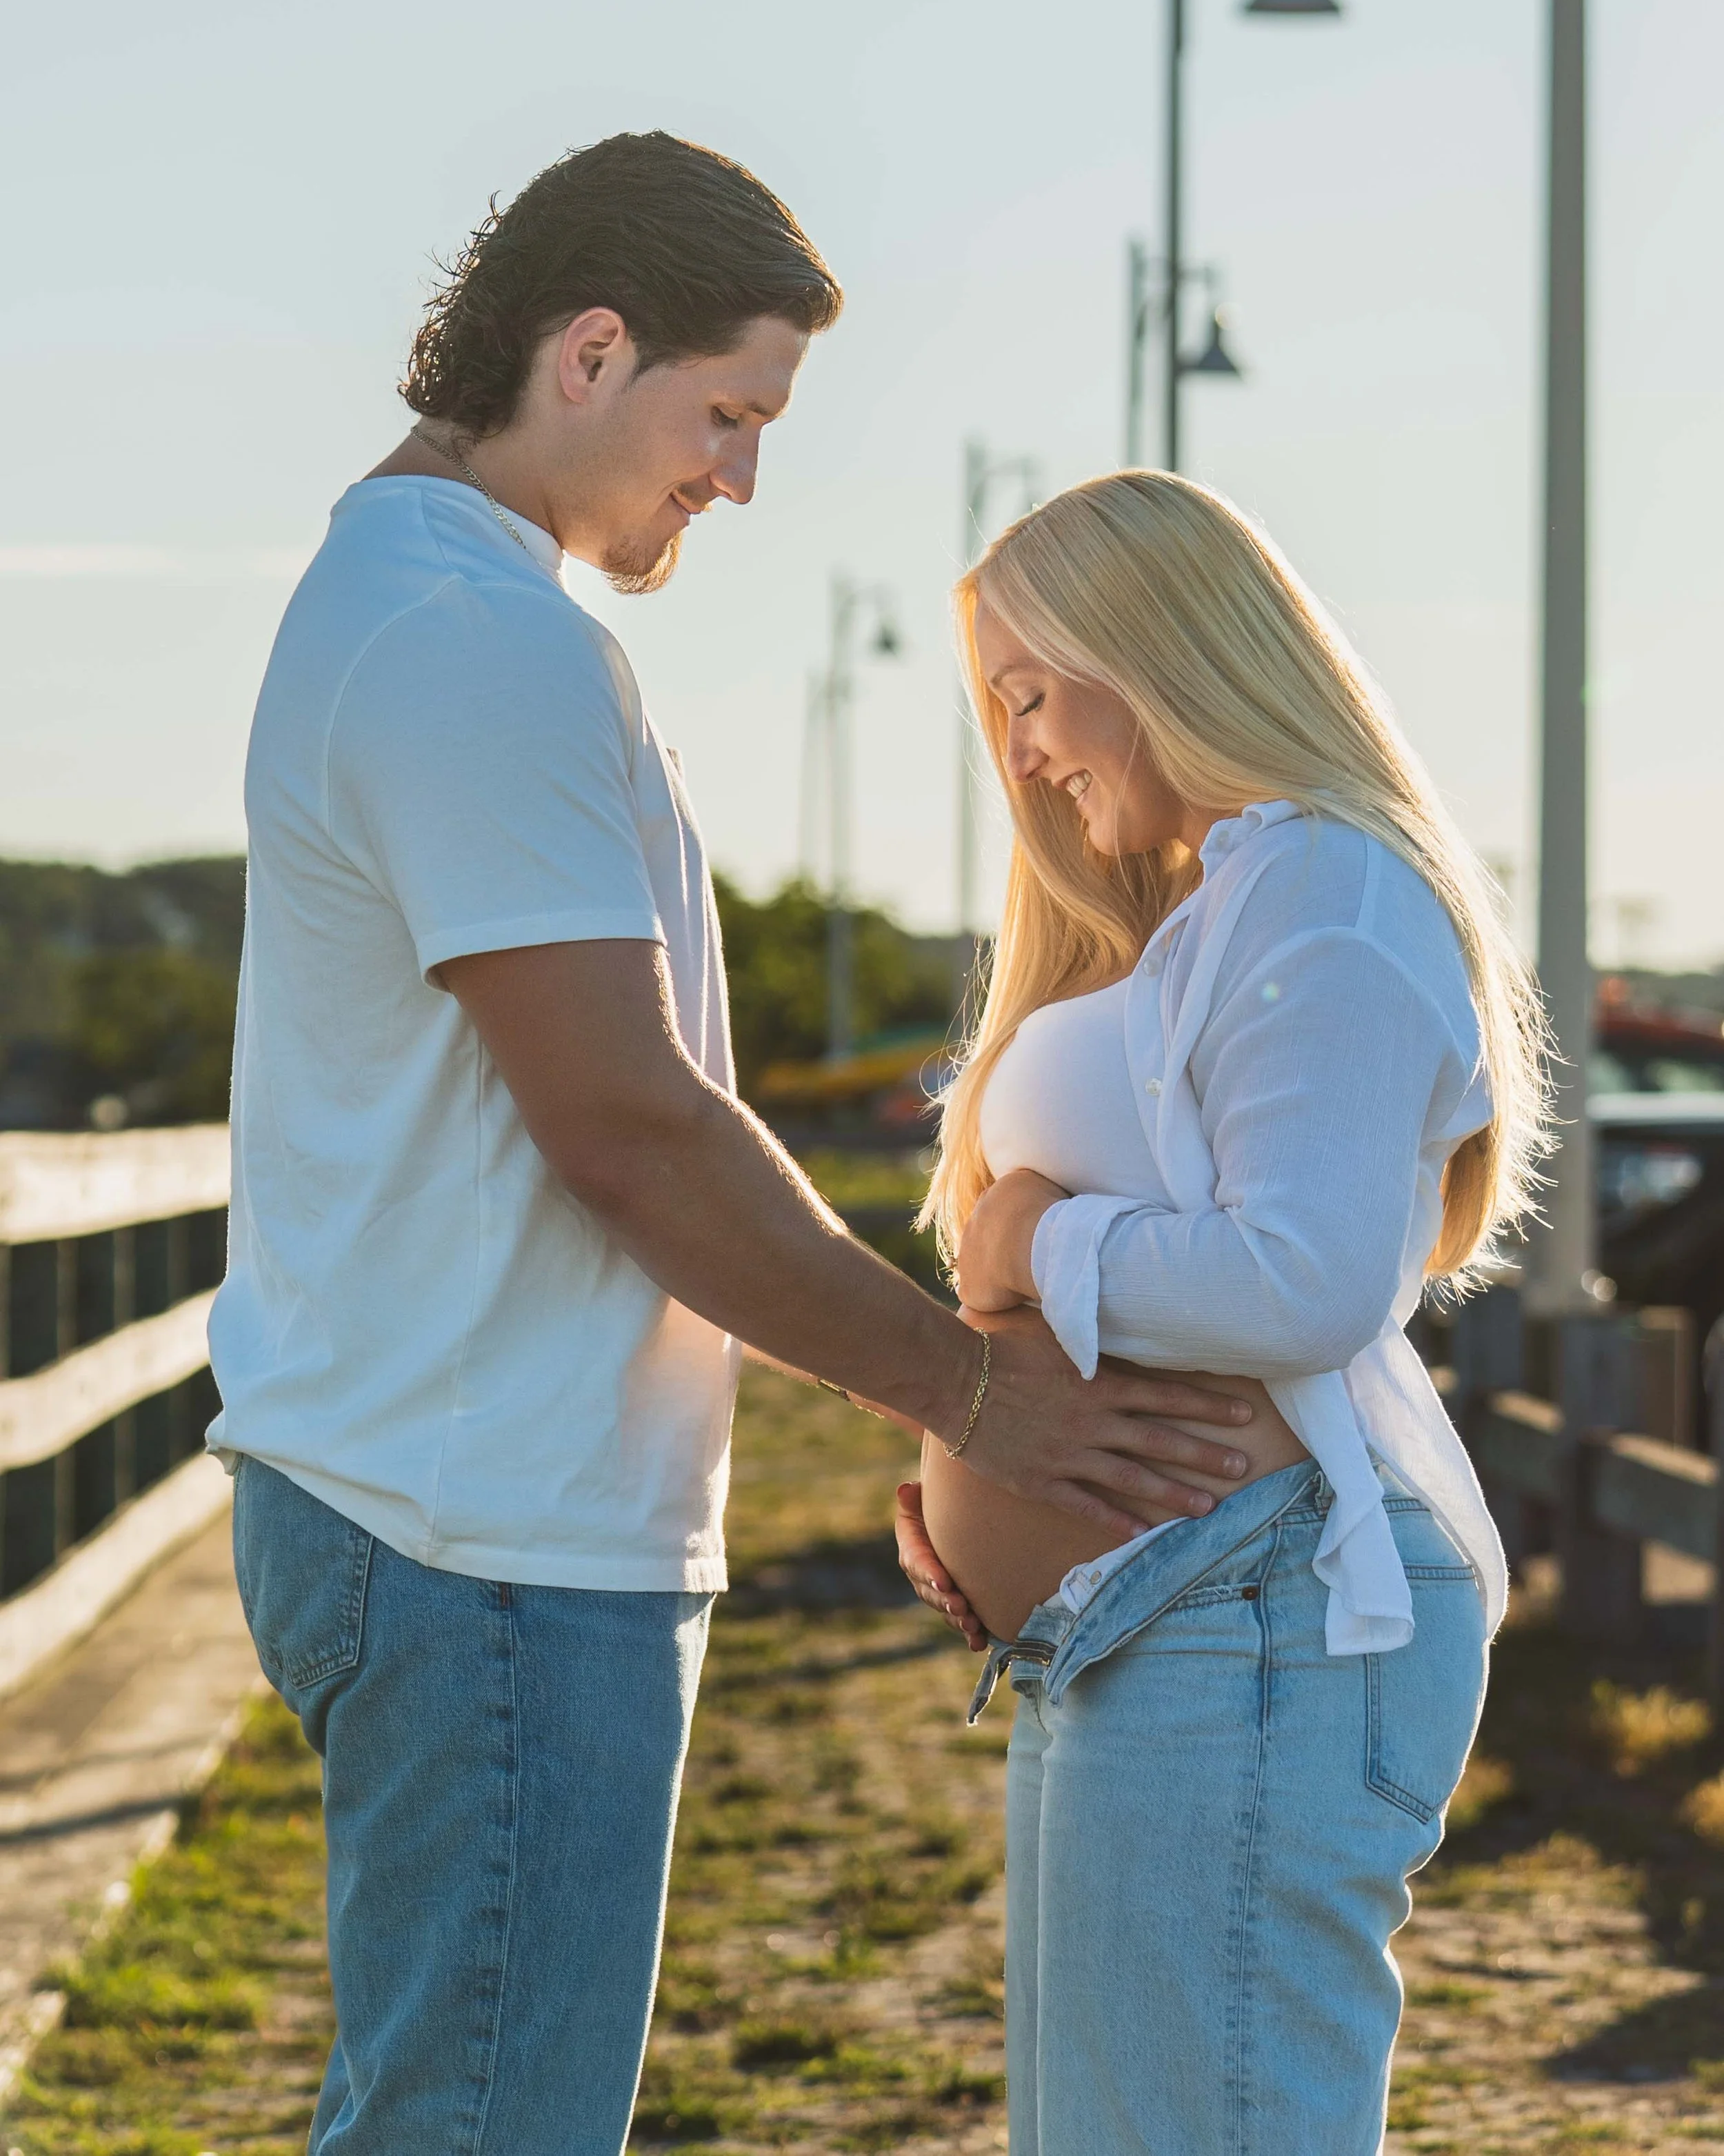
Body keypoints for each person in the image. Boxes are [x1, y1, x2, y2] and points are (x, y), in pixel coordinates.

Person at [206, 133, 1259, 2156]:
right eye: (729, 413)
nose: (741, 478)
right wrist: (972, 1392)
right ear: (588, 348)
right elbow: (630, 1126)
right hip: (481, 1533)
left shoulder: (440, 603)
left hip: (456, 1504)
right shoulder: (470, 639)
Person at [895, 468, 1548, 2156]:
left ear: (1156, 649)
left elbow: (1301, 1278)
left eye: (1030, 695)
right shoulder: (1211, 907)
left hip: (1252, 1615)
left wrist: (1033, 1245)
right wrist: (983, 1457)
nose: (1021, 752)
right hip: (1154, 1611)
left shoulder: (1322, 886)